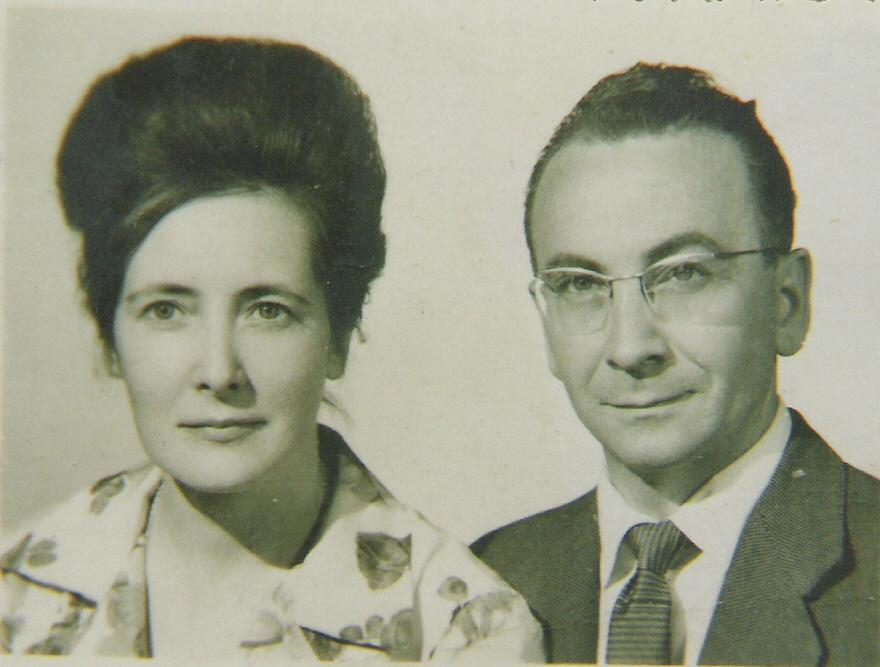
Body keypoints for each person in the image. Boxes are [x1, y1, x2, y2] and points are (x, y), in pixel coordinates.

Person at [0, 36, 542, 662]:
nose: (218, 371)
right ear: (110, 340)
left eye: (268, 311)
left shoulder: (464, 633)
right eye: (166, 310)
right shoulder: (19, 592)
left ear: (338, 336)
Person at [471, 62, 878, 666]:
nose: (631, 347)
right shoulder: (482, 587)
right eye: (580, 284)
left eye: (685, 273)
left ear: (787, 302)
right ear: (546, 321)